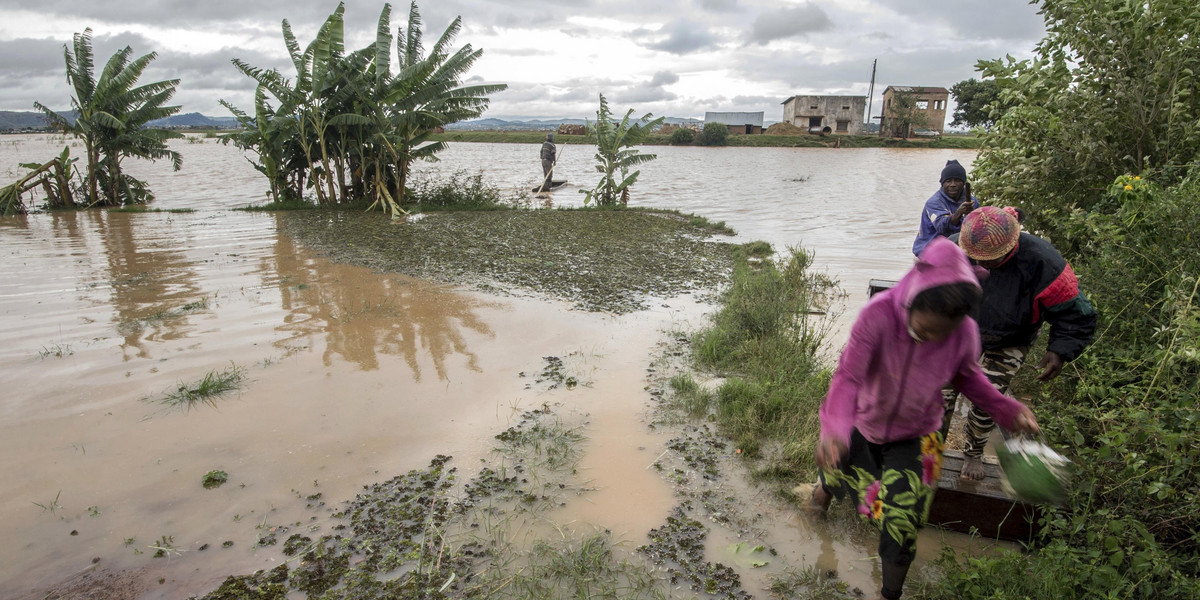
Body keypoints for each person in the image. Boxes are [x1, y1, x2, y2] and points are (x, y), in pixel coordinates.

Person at [805, 237, 1040, 600]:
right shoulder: (878, 314)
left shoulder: (963, 332)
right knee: (837, 465)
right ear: (912, 298)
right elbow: (848, 378)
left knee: (903, 519)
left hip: (917, 432)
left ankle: (890, 593)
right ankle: (822, 495)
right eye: (924, 329)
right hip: (863, 420)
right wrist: (834, 429)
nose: (931, 338)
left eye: (940, 333)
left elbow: (968, 376)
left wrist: (1006, 408)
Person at [949, 206, 1096, 480]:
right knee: (939, 395)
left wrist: (1060, 350)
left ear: (1012, 245)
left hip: (1010, 337)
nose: (984, 265)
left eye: (992, 260)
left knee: (988, 399)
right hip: (957, 332)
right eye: (978, 259)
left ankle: (973, 452)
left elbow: (1075, 313)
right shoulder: (953, 250)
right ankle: (928, 452)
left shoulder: (1043, 263)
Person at [911, 159, 979, 256]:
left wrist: (972, 215)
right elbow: (942, 227)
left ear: (963, 183)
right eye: (948, 181)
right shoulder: (934, 202)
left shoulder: (972, 201)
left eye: (957, 181)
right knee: (956, 238)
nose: (953, 185)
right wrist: (959, 213)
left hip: (957, 249)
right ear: (942, 183)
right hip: (929, 250)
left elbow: (977, 228)